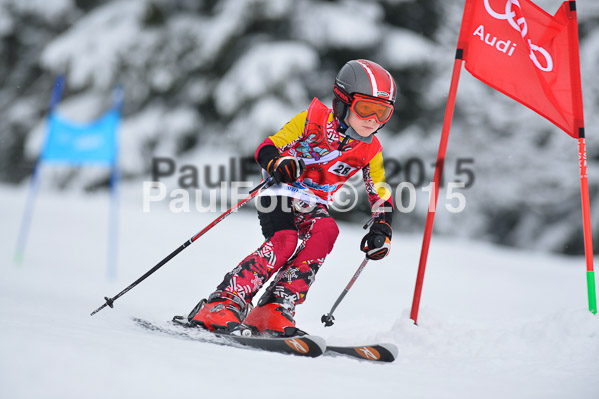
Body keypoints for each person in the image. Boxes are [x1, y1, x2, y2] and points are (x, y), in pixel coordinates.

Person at [188, 59, 396, 337]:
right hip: (279, 190)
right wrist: (277, 162)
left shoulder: (370, 149)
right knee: (285, 241)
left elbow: (379, 188)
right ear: (342, 102)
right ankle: (223, 301)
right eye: (366, 108)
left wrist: (382, 225)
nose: (373, 120)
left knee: (326, 230)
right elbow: (269, 146)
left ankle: (275, 306)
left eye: (383, 112)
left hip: (313, 203)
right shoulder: (312, 120)